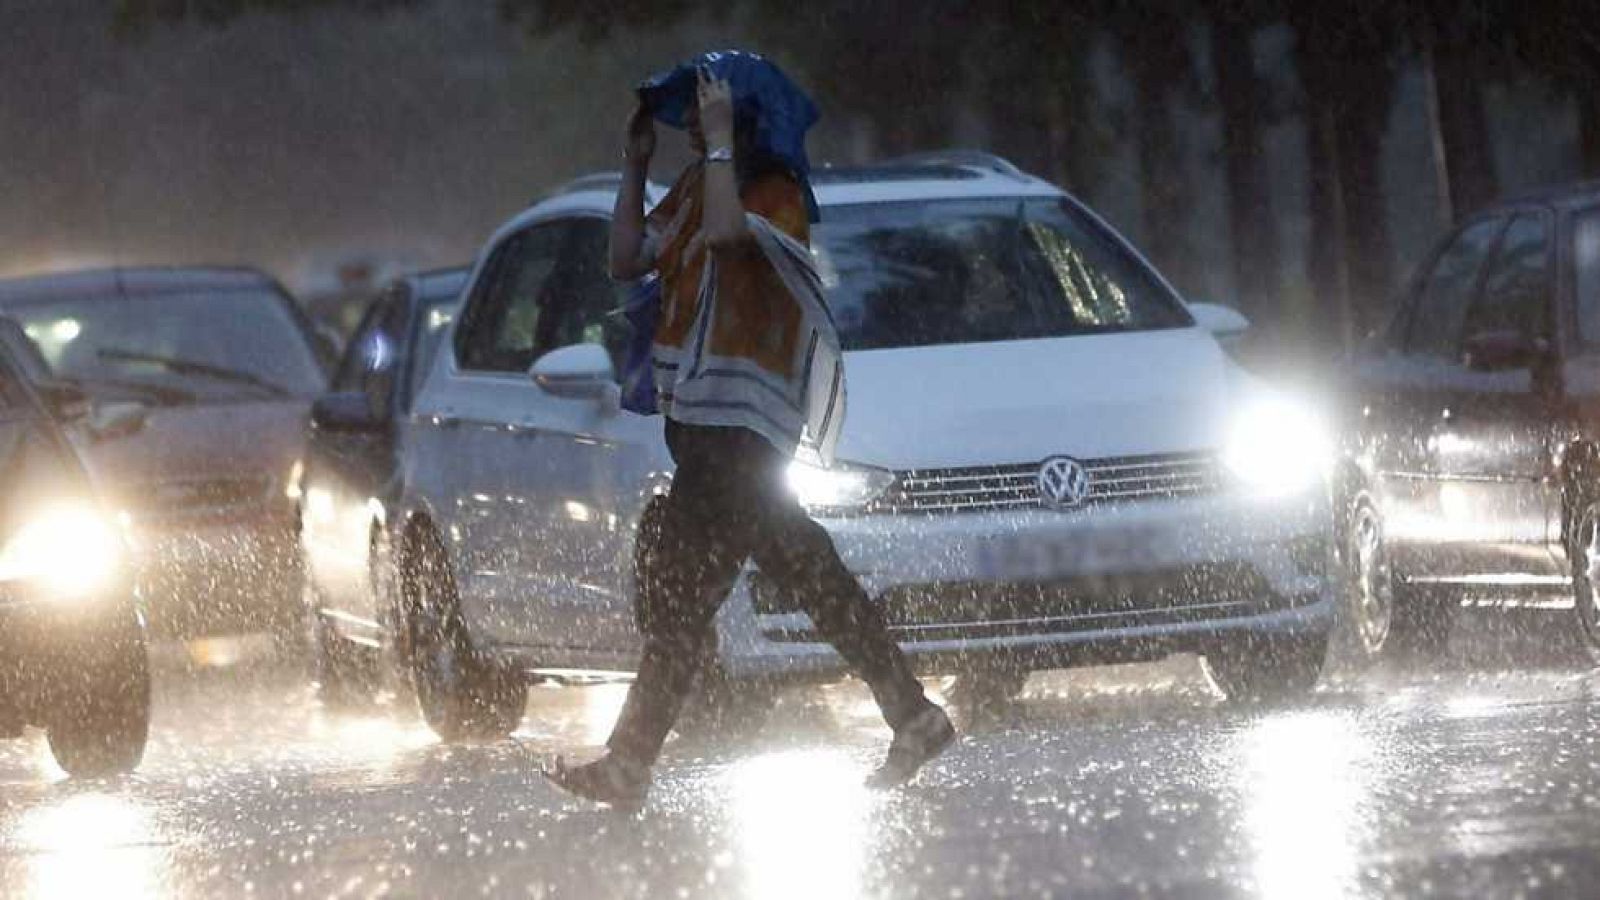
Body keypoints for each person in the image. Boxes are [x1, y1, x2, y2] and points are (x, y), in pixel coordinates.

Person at [544, 51, 954, 811]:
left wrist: (722, 143)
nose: (698, 132)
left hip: (744, 431)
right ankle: (913, 715)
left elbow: (731, 236)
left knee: (701, 595)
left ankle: (631, 761)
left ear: (747, 122)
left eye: (711, 117)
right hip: (701, 428)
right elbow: (626, 257)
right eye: (696, 121)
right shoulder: (698, 186)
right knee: (787, 580)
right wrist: (635, 164)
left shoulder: (774, 192)